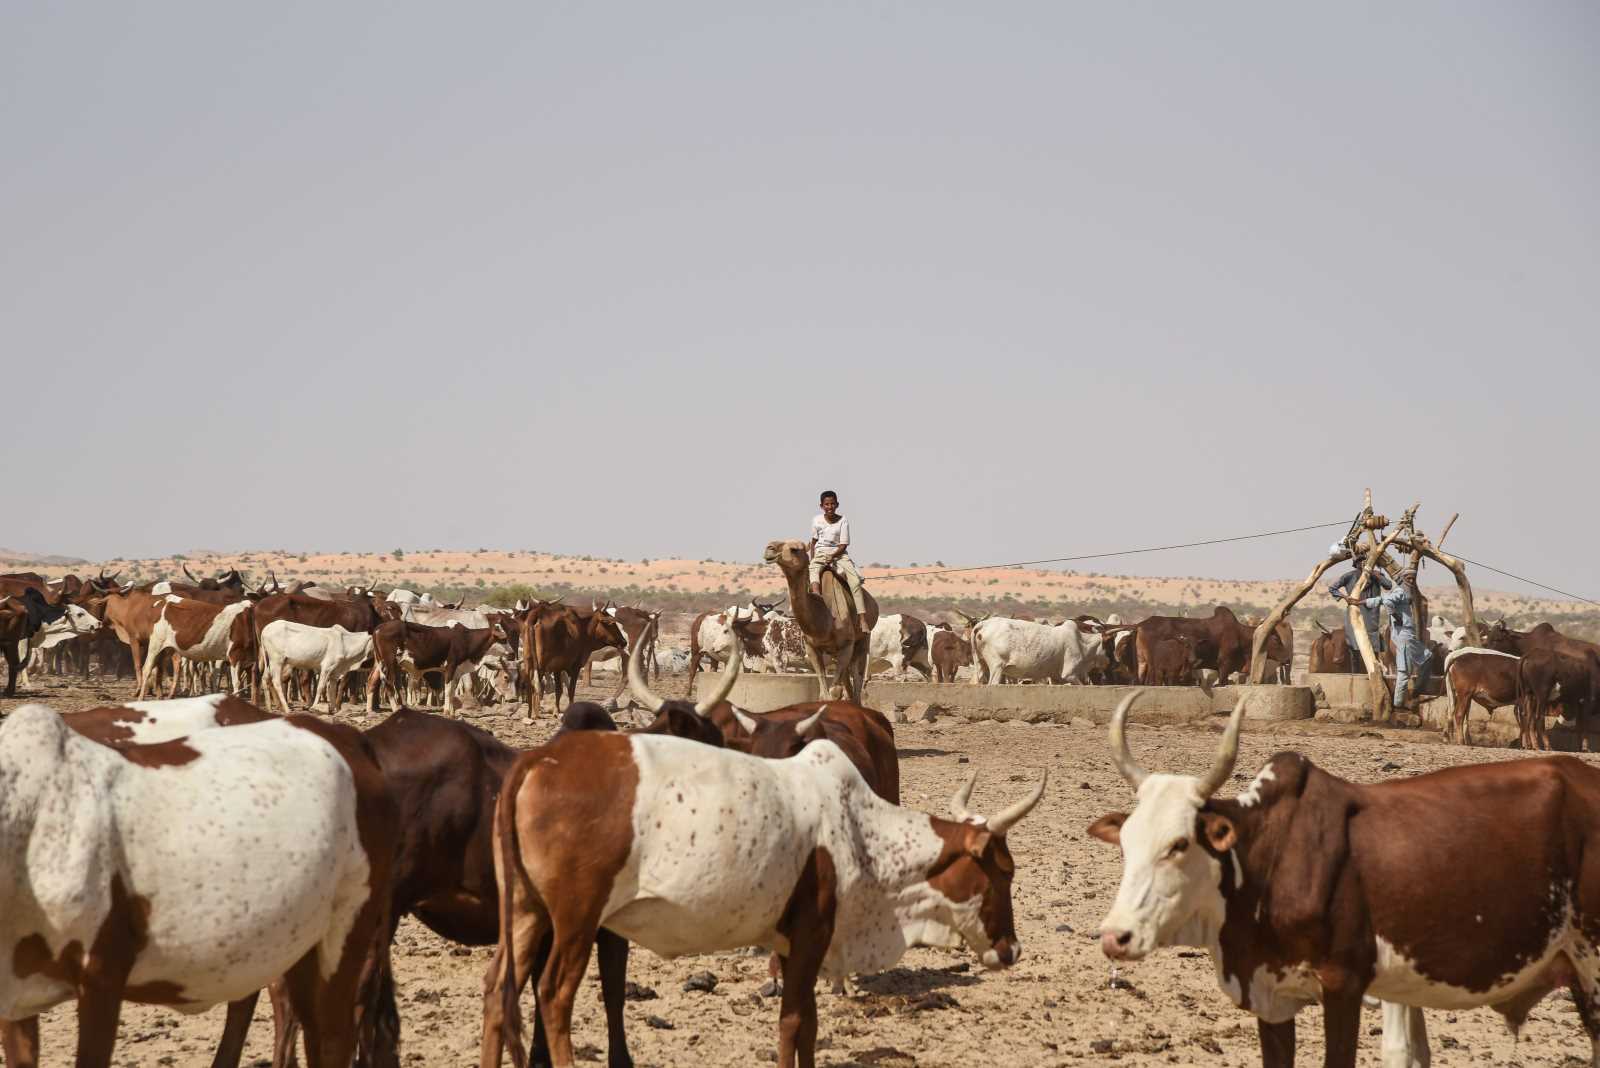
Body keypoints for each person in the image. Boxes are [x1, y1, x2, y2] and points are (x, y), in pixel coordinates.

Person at [1350, 567, 1428, 710]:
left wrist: (1360, 602)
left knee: (1427, 659)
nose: (1411, 581)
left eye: (1412, 578)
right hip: (1404, 636)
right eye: (1408, 578)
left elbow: (1381, 599)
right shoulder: (1401, 591)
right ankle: (1399, 703)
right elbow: (1386, 602)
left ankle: (1412, 695)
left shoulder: (1404, 591)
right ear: (1403, 579)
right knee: (1404, 672)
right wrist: (1395, 616)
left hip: (1408, 635)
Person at [807, 490, 869, 633]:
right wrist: (812, 560)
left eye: (832, 504)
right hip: (820, 553)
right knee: (811, 577)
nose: (830, 507)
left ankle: (862, 618)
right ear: (821, 506)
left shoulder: (843, 521)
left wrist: (833, 556)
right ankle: (817, 604)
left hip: (839, 555)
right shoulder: (816, 520)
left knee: (855, 582)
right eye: (826, 504)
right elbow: (814, 541)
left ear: (837, 504)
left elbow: (843, 545)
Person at [1327, 550, 1391, 670]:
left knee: (1373, 650)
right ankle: (1355, 676)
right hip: (1354, 617)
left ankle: (1375, 675)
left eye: (1364, 561)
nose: (1362, 563)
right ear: (1355, 564)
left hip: (1372, 617)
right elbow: (1332, 588)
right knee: (1354, 649)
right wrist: (1345, 597)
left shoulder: (1376, 575)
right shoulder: (1349, 576)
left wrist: (1375, 574)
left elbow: (1388, 585)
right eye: (1359, 561)